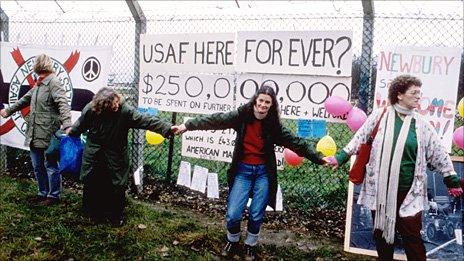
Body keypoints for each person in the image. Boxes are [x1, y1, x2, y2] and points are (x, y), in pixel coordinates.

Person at [172, 85, 328, 260]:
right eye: (260, 100)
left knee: (256, 214)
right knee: (233, 214)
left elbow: (295, 142)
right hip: (243, 171)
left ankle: (250, 245)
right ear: (255, 100)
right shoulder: (242, 116)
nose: (263, 105)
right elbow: (216, 120)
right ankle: (233, 240)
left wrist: (318, 158)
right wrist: (188, 125)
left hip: (263, 173)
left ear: (271, 105)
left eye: (267, 102)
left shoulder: (273, 125)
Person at [324, 75, 463, 261]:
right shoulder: (380, 116)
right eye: (414, 92)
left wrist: (451, 180)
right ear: (399, 95)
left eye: (420, 93)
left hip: (410, 192)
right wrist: (340, 157)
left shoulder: (421, 125)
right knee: (381, 235)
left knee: (412, 238)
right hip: (380, 190)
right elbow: (360, 138)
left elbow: (439, 154)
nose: (418, 97)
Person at [67, 87, 173, 226]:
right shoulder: (91, 109)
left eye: (117, 102)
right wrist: (71, 132)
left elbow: (145, 120)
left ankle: (115, 216)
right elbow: (80, 125)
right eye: (112, 105)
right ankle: (92, 213)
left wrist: (167, 128)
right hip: (95, 153)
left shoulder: (125, 111)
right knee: (93, 182)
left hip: (116, 154)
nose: (116, 106)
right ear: (101, 107)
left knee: (116, 185)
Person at [0, 54, 72, 206]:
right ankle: (42, 193)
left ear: (40, 65)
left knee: (50, 165)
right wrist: (8, 111)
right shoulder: (39, 84)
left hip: (48, 133)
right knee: (37, 166)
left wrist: (67, 124)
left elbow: (63, 103)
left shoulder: (53, 82)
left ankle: (53, 196)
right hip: (34, 132)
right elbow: (25, 99)